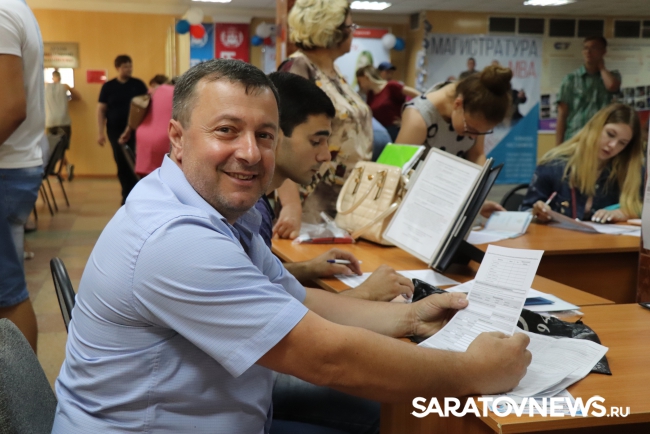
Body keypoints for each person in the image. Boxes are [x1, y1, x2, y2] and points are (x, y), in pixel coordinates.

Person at [52, 59, 531, 434]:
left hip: (214, 413)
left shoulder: (218, 210)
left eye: (264, 136)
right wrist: (471, 370)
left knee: (383, 412)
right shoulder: (175, 239)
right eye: (226, 130)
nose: (250, 152)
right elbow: (327, 357)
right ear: (177, 139)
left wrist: (410, 318)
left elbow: (297, 300)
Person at [266, 71, 414, 434]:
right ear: (273, 135)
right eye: (316, 141)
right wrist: (366, 297)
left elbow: (262, 281)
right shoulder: (228, 212)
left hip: (247, 377)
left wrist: (307, 269)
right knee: (389, 408)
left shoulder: (252, 208)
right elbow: (316, 347)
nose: (324, 155)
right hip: (250, 383)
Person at [276, 0, 373, 231]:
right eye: (350, 26)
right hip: (312, 201)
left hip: (347, 198)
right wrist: (291, 204)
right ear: (330, 30)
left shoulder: (334, 72)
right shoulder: (299, 68)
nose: (353, 32)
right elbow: (281, 137)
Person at [395, 65, 512, 217]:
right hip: (410, 203)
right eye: (470, 129)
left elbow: (477, 154)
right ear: (457, 104)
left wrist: (479, 201)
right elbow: (394, 174)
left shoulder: (477, 109)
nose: (473, 137)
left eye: (481, 132)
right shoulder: (419, 117)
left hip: (446, 200)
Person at [0, 0, 45, 352]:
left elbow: (11, 108)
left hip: (6, 166)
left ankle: (21, 386)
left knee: (7, 294)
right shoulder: (16, 8)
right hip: (14, 165)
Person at [522, 103, 642, 224]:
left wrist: (625, 213)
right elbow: (525, 213)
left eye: (622, 143)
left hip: (605, 236)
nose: (613, 145)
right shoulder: (554, 165)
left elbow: (642, 207)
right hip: (556, 235)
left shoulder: (629, 172)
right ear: (595, 127)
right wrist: (537, 214)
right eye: (610, 134)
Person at [97, 54, 148, 204]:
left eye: (130, 66)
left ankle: (137, 194)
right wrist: (100, 133)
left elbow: (145, 106)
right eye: (125, 66)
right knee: (121, 163)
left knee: (135, 162)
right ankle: (126, 194)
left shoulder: (138, 84)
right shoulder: (108, 87)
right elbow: (101, 110)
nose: (129, 69)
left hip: (136, 131)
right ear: (117, 68)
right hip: (114, 131)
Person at [556, 36, 621, 145]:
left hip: (600, 138)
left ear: (603, 51)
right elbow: (562, 114)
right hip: (575, 138)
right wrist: (558, 147)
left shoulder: (613, 76)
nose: (588, 51)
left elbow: (612, 86)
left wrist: (602, 68)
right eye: (585, 48)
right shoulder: (570, 79)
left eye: (593, 48)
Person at [119, 76, 174, 177]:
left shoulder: (153, 91)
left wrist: (127, 132)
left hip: (143, 136)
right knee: (165, 176)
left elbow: (137, 113)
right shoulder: (180, 94)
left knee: (148, 177)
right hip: (165, 138)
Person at [356, 65, 420, 142]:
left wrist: (408, 119)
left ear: (366, 77)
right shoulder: (370, 94)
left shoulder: (391, 86)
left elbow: (418, 95)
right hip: (380, 133)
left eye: (360, 81)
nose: (360, 85)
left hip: (395, 131)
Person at [45, 70, 81, 180]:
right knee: (61, 148)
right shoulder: (65, 86)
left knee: (53, 148)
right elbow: (77, 97)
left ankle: (60, 171)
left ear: (52, 77)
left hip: (50, 122)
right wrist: (67, 97)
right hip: (63, 121)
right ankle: (62, 170)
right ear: (60, 77)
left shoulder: (45, 86)